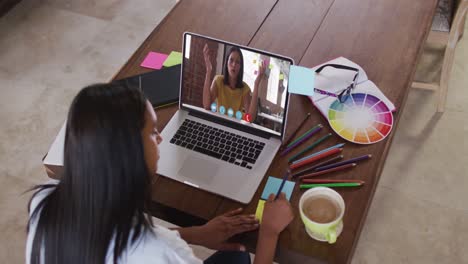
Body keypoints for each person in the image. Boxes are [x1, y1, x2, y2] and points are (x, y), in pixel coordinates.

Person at [26, 82, 294, 264]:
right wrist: (269, 233)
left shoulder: (44, 203)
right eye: (154, 132)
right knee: (241, 255)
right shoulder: (160, 253)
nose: (161, 139)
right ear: (130, 157)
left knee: (235, 257)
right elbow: (151, 247)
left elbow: (116, 240)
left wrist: (195, 234)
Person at [202, 44, 266, 122]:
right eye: (231, 60)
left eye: (237, 62)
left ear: (240, 67)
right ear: (226, 62)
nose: (234, 65)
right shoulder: (218, 80)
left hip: (235, 126)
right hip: (219, 123)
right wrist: (208, 71)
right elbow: (206, 105)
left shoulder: (245, 89)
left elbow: (250, 118)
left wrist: (256, 84)